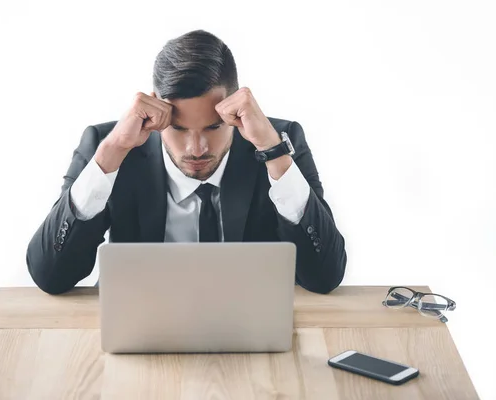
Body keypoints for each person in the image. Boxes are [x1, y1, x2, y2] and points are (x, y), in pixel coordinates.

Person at [26, 29, 347, 295]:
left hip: (252, 332)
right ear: (155, 110)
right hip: (141, 329)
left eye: (213, 126)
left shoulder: (278, 141)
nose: (196, 149)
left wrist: (274, 153)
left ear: (235, 112)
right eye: (178, 129)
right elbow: (50, 276)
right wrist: (110, 157)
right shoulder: (110, 146)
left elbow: (325, 276)